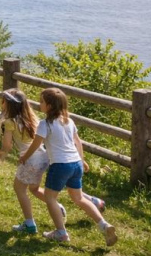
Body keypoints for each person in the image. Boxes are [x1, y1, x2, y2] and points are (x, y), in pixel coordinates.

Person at [19, 88, 117, 246]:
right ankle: (103, 224)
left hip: (60, 165)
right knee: (78, 198)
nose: (39, 104)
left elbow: (36, 144)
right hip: (75, 163)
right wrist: (83, 160)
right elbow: (77, 142)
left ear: (49, 106)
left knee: (50, 198)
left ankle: (61, 232)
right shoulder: (68, 121)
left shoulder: (45, 124)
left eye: (42, 101)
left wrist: (25, 156)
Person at [0, 88, 68, 234]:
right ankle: (56, 207)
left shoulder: (10, 122)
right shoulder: (32, 117)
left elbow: (7, 145)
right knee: (33, 188)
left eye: (2, 101)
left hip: (30, 160)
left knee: (19, 189)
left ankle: (29, 224)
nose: (1, 104)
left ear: (7, 105)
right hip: (43, 157)